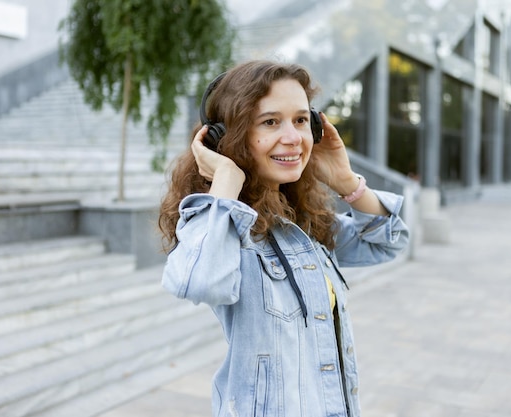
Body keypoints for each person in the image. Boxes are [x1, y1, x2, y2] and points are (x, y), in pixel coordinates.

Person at [158, 60, 409, 417]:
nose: (293, 137)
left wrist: (346, 181)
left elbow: (389, 241)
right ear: (226, 135)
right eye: (270, 122)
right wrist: (227, 178)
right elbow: (198, 280)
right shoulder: (227, 228)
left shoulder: (302, 221)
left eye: (302, 120)